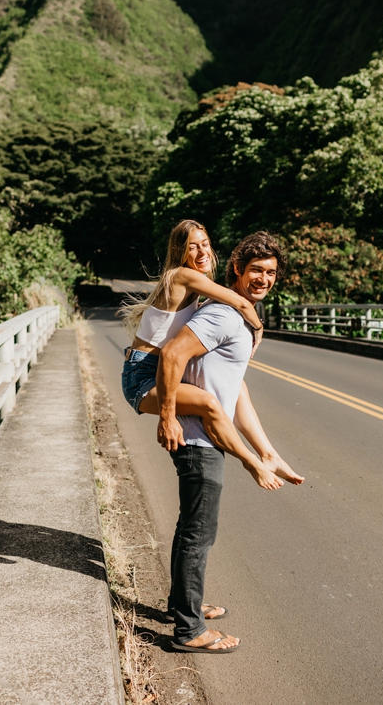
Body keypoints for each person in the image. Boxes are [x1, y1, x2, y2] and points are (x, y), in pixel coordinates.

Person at [156, 231, 294, 654]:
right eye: (256, 270)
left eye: (270, 272)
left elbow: (237, 392)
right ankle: (188, 630)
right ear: (237, 269)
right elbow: (172, 354)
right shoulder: (223, 315)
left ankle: (184, 605)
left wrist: (268, 451)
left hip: (204, 434)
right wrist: (168, 415)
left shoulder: (240, 316)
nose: (263, 279)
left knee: (193, 530)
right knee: (199, 533)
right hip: (197, 438)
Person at [119, 219, 302, 488]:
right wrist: (259, 327)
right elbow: (239, 301)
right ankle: (252, 463)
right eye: (193, 247)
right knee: (209, 403)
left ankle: (269, 454)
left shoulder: (194, 284)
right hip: (142, 377)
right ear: (180, 252)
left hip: (154, 369)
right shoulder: (183, 275)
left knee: (237, 385)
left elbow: (220, 302)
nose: (202, 252)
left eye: (205, 244)